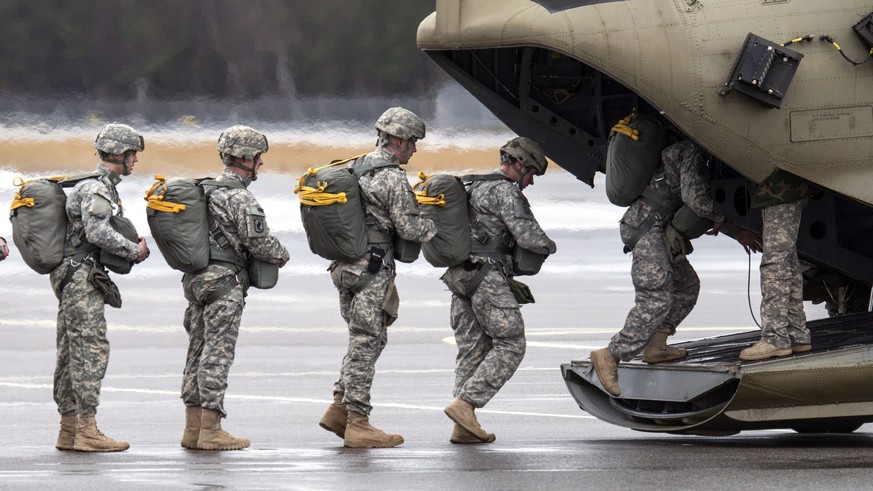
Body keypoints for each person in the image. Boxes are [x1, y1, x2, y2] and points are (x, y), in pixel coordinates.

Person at [590, 139, 761, 397]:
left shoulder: (687, 151)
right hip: (647, 229)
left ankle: (656, 345)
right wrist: (728, 224)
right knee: (655, 298)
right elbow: (696, 199)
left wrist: (735, 231)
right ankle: (611, 354)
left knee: (686, 285)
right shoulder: (690, 151)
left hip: (658, 229)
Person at [318, 107, 437, 448]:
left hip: (345, 267)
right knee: (367, 342)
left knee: (364, 339)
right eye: (412, 142)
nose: (414, 149)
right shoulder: (391, 176)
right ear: (397, 139)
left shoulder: (355, 166)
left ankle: (339, 408)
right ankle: (358, 422)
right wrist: (435, 225)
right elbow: (409, 227)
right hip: (371, 268)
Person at [440, 136, 557, 444]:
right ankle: (466, 404)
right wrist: (550, 246)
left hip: (460, 277)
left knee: (472, 350)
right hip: (488, 277)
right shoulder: (506, 191)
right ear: (518, 165)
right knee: (511, 343)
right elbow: (529, 237)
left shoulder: (473, 185)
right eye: (531, 173)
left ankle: (462, 426)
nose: (530, 181)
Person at [180, 125, 289, 451]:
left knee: (196, 352)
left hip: (196, 281)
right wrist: (282, 254)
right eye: (258, 158)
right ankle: (211, 429)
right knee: (217, 353)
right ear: (246, 159)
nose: (261, 164)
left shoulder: (204, 191)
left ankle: (192, 429)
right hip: (224, 285)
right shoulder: (240, 197)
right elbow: (259, 242)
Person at [51, 123, 150, 452]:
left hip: (71, 275)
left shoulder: (92, 185)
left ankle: (69, 430)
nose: (135, 160)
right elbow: (96, 232)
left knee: (70, 353)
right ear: (120, 154)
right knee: (90, 352)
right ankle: (87, 431)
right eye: (132, 154)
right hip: (82, 277)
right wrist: (132, 251)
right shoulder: (97, 189)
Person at [739, 169, 813, 361]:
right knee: (788, 261)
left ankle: (775, 339)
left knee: (775, 263)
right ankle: (796, 334)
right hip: (780, 191)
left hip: (780, 191)